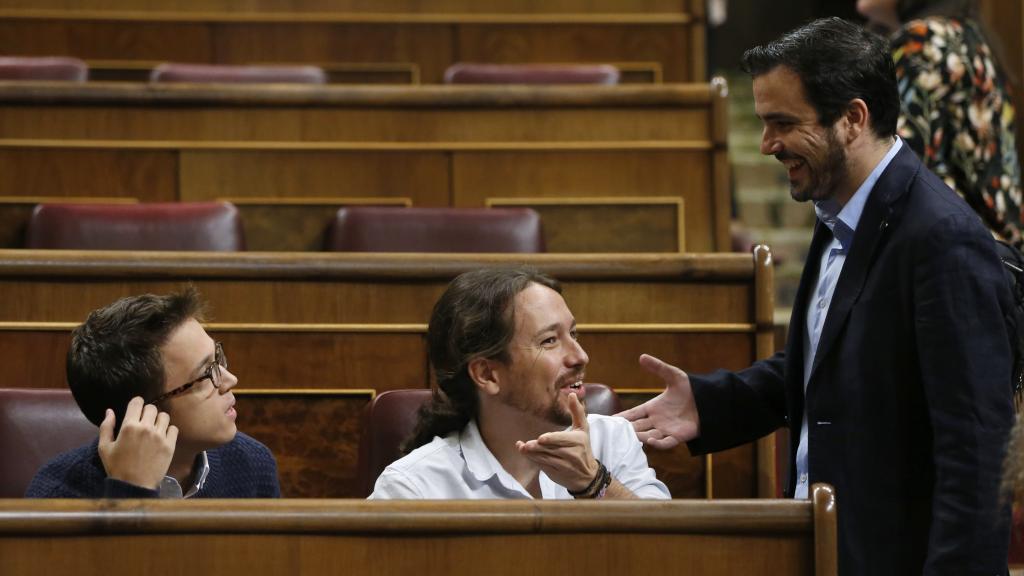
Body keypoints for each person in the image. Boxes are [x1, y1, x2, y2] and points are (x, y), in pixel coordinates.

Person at [618, 17, 1014, 575]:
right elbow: (834, 364)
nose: (766, 145)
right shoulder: (838, 213)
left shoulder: (940, 239)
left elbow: (977, 455)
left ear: (852, 119)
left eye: (782, 123)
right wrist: (709, 404)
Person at [369, 267, 669, 500]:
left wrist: (595, 483)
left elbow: (673, 554)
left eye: (573, 334)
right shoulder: (415, 487)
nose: (580, 356)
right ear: (487, 375)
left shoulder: (611, 440)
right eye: (549, 341)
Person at [26, 287, 281, 498]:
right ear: (141, 414)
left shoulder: (252, 464)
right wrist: (130, 491)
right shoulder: (58, 494)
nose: (230, 379)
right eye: (205, 375)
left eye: (218, 358)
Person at [858, 0, 1023, 247]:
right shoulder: (964, 34)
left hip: (956, 257)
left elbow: (896, 175)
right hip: (990, 255)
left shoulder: (923, 41)